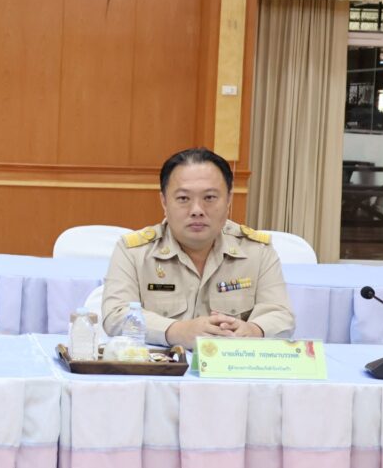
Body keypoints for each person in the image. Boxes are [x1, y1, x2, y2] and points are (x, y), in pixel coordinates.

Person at [102, 148, 294, 349]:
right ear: (164, 202)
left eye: (209, 198)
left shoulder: (257, 251)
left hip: (232, 364)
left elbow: (281, 314)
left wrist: (254, 330)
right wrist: (175, 331)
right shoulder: (133, 252)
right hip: (163, 367)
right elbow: (115, 315)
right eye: (183, 198)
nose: (197, 210)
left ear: (228, 200)